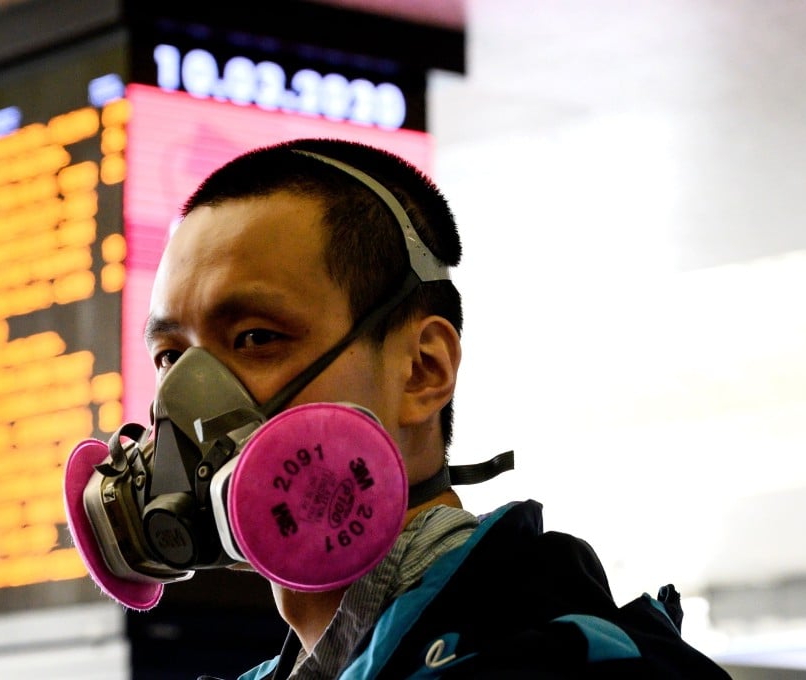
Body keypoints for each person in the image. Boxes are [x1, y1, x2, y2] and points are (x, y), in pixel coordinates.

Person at [77, 138, 731, 678]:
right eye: (170, 356)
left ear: (423, 370)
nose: (185, 402)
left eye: (255, 338)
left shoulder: (572, 661)